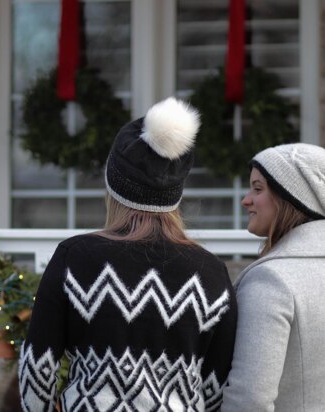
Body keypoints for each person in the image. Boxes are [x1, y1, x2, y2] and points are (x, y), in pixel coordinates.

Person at [18, 97, 237, 411]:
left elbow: (38, 369)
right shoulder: (211, 271)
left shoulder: (75, 257)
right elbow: (217, 386)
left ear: (112, 190)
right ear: (176, 194)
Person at [222, 143, 325, 411]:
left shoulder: (271, 280)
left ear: (292, 197)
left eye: (258, 189)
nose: (246, 200)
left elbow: (249, 400)